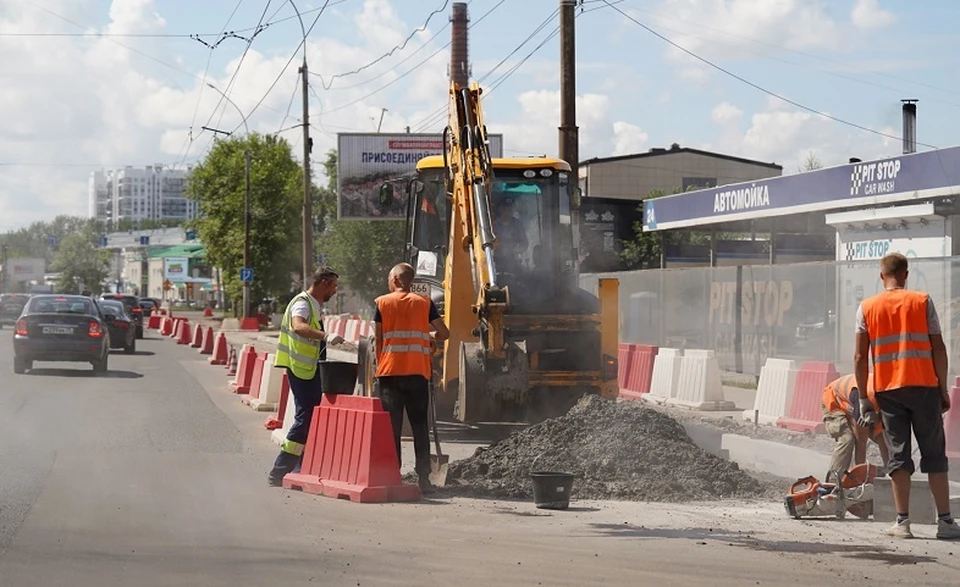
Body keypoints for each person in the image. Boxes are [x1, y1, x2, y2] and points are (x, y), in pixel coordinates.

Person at [854, 252, 960, 539]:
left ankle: (903, 523)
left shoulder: (867, 308)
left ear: (881, 276)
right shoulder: (922, 301)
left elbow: (860, 357)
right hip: (924, 388)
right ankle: (946, 522)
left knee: (898, 456)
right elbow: (939, 348)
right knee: (935, 455)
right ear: (906, 274)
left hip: (888, 392)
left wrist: (864, 399)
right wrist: (942, 388)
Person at [374, 263, 449, 493]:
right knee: (419, 426)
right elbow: (444, 333)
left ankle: (393, 476)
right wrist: (428, 335)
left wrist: (380, 366)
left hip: (390, 374)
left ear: (396, 280)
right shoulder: (424, 303)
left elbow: (379, 339)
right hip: (417, 374)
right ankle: (424, 479)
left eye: (389, 279)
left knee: (393, 428)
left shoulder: (382, 303)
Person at [267, 266, 344, 487]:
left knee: (309, 418)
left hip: (308, 369)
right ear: (324, 283)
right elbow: (298, 326)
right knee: (304, 419)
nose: (335, 292)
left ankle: (299, 468)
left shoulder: (314, 305)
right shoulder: (303, 303)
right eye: (334, 286)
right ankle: (279, 471)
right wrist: (326, 335)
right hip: (301, 370)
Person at [821, 373, 888, 477]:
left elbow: (881, 435)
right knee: (847, 439)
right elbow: (861, 441)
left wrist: (892, 470)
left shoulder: (887, 398)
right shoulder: (866, 399)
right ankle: (835, 479)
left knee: (883, 436)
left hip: (853, 403)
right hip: (834, 401)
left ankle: (889, 468)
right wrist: (860, 475)